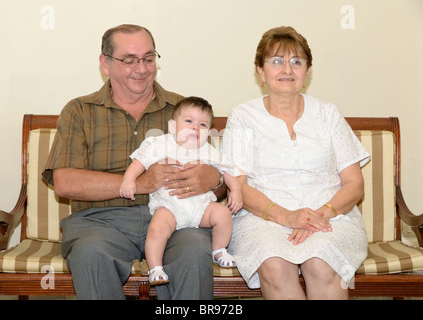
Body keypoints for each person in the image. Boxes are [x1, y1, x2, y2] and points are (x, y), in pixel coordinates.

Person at [42, 24, 223, 300]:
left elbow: (219, 178)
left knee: (195, 250)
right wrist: (141, 183)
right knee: (91, 253)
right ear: (106, 63)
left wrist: (216, 181)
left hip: (178, 219)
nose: (142, 68)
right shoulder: (79, 111)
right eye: (129, 60)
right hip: (100, 222)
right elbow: (65, 183)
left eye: (149, 59)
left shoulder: (183, 111)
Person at [220, 26, 370, 300]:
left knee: (322, 264)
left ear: (307, 71)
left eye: (296, 62)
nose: (287, 69)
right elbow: (238, 186)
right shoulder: (243, 117)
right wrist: (287, 216)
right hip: (262, 218)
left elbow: (354, 184)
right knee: (275, 266)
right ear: (260, 71)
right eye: (276, 61)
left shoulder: (327, 113)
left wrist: (322, 213)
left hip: (329, 216)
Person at [120, 96, 242, 285]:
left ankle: (218, 249)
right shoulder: (162, 144)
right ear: (172, 126)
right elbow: (140, 162)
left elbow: (227, 170)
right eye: (188, 121)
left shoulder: (209, 150)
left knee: (223, 213)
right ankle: (155, 268)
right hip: (170, 206)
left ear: (208, 131)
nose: (195, 127)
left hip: (201, 207)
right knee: (156, 229)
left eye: (202, 124)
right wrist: (129, 179)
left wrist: (235, 190)